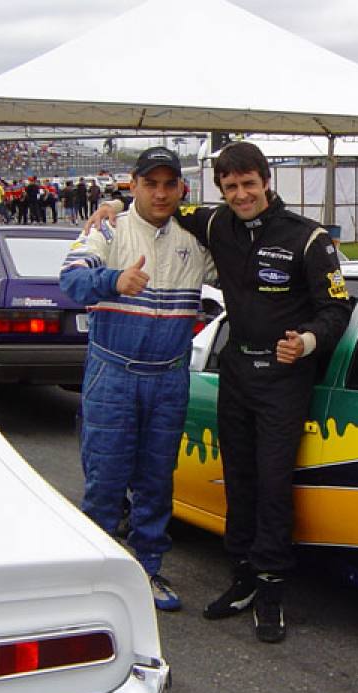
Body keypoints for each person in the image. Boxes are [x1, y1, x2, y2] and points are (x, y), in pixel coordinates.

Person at [88, 141, 351, 642]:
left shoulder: (309, 238)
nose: (241, 195)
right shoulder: (214, 224)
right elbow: (159, 204)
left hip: (283, 378)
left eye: (249, 184)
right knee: (239, 480)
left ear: (266, 181)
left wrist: (307, 340)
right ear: (221, 189)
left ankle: (271, 589)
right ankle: (243, 576)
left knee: (273, 484)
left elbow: (337, 308)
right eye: (231, 187)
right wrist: (114, 204)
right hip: (236, 372)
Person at [59, 147, 214, 613]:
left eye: (169, 184)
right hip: (113, 373)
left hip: (168, 377)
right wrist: (113, 280)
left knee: (156, 483)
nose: (160, 194)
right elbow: (70, 280)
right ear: (134, 184)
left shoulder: (196, 238)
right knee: (105, 482)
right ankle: (96, 580)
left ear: (182, 188)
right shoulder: (109, 227)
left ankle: (147, 570)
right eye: (151, 183)